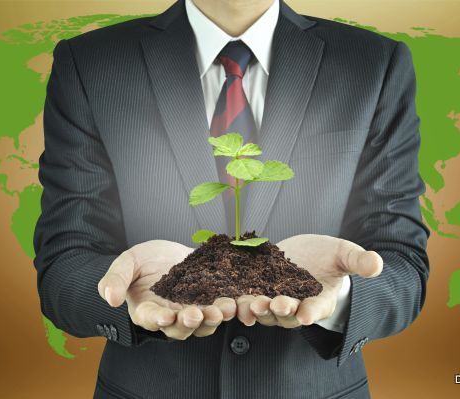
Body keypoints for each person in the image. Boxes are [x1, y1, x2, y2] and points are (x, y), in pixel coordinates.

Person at [33, 0, 430, 397]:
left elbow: (402, 263)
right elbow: (64, 263)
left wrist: (339, 296)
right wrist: (126, 299)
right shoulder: (93, 64)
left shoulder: (373, 64)